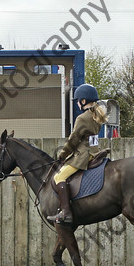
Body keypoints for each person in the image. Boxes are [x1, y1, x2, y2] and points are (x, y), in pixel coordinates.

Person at [47, 83, 108, 224]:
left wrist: (63, 154)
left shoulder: (82, 118)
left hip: (83, 156)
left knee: (59, 177)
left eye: (78, 101)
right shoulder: (97, 116)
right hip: (95, 152)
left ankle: (66, 213)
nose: (77, 104)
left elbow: (74, 139)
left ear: (83, 101)